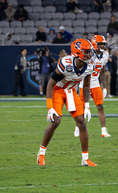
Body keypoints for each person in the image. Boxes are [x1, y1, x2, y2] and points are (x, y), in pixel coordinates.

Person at [36, 39, 97, 167]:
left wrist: (87, 105)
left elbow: (86, 86)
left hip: (70, 92)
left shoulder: (89, 65)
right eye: (86, 52)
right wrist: (49, 108)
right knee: (56, 121)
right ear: (78, 52)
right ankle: (41, 154)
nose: (89, 55)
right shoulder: (66, 63)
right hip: (58, 90)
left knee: (82, 123)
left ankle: (85, 159)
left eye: (89, 52)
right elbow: (50, 84)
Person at [74, 35, 111, 138]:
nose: (103, 46)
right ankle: (77, 127)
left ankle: (103, 130)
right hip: (84, 83)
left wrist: (104, 87)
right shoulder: (89, 54)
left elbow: (103, 72)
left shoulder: (105, 55)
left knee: (100, 107)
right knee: (81, 108)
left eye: (103, 44)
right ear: (95, 44)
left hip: (95, 83)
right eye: (101, 44)